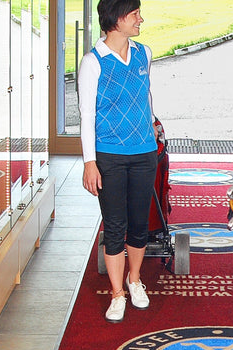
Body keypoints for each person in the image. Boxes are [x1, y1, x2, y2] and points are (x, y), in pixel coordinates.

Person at [78, 0, 157, 322]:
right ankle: (116, 293)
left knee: (140, 224)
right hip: (109, 155)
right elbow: (86, 116)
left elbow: (146, 94)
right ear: (117, 19)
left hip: (144, 153)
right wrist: (89, 162)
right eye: (135, 15)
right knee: (115, 227)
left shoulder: (144, 53)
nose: (141, 19)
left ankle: (134, 279)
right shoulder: (93, 62)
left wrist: (152, 126)